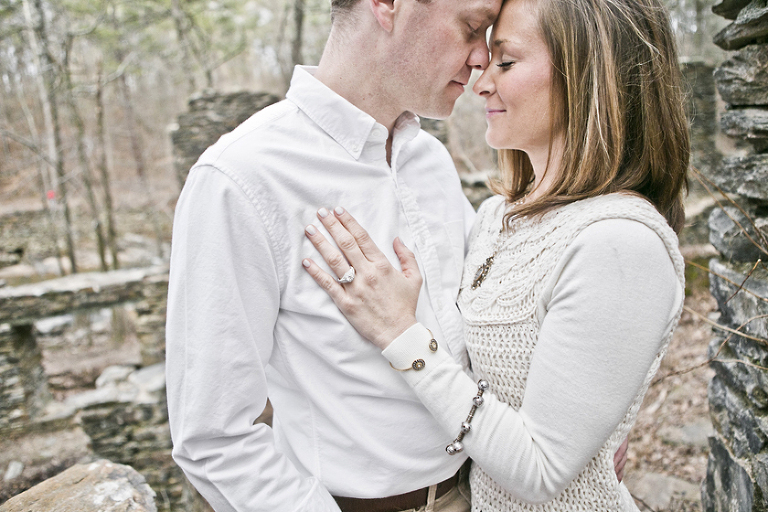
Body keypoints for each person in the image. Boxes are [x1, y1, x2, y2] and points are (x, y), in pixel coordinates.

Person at [301, 0, 689, 509]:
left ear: (587, 76)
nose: (481, 82)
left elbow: (541, 470)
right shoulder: (496, 216)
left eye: (505, 62)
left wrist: (400, 333)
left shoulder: (620, 243)